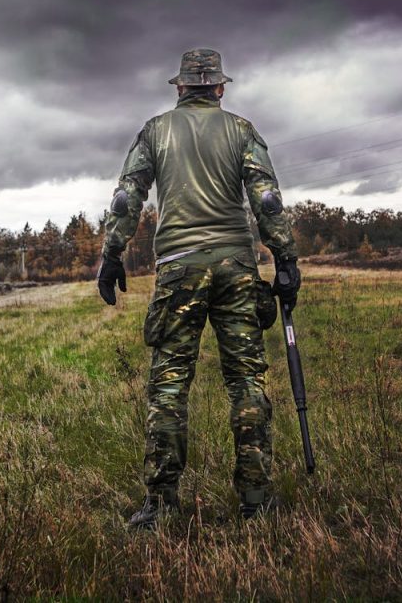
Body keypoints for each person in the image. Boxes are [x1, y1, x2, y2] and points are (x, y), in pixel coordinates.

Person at [97, 48, 301, 528]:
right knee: (246, 381)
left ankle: (160, 507)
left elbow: (128, 196)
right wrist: (285, 257)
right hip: (236, 267)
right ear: (220, 88)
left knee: (169, 385)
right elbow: (266, 197)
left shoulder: (155, 131)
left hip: (178, 269)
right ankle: (256, 499)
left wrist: (112, 253)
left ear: (180, 87)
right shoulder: (242, 130)